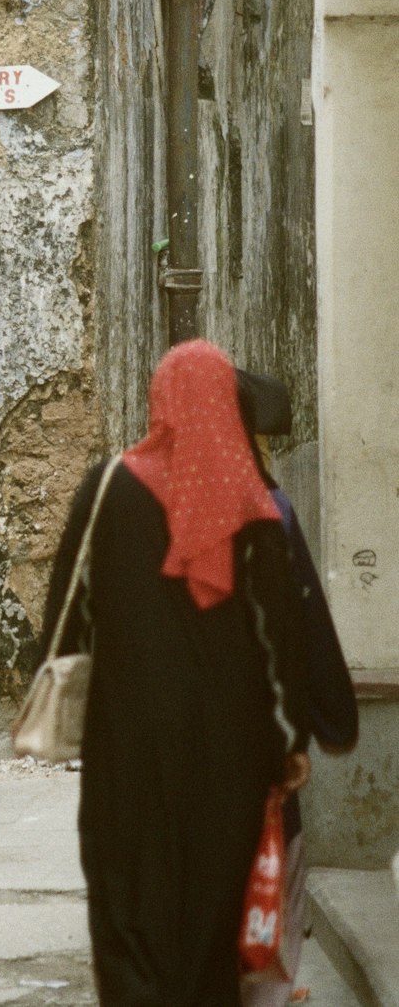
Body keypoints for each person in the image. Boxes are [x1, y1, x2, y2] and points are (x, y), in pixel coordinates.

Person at [38, 339, 311, 1007]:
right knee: (212, 906)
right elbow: (279, 638)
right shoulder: (255, 503)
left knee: (128, 893)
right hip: (232, 750)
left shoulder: (106, 486)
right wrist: (287, 745)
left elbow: (62, 622)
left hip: (124, 742)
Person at [235, 370, 358, 1007]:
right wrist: (306, 729)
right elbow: (297, 625)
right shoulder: (269, 509)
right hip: (256, 726)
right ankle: (270, 982)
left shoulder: (150, 504)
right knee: (279, 841)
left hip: (182, 733)